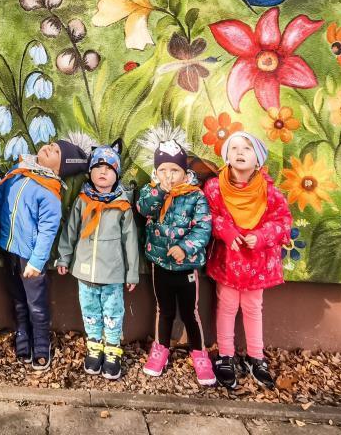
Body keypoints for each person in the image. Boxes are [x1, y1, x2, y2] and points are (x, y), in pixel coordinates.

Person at [205, 131, 292, 389]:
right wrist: (226, 231)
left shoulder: (269, 192)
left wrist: (262, 236)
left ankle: (256, 357)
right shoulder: (215, 188)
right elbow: (209, 216)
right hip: (229, 261)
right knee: (227, 305)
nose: (240, 152)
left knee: (253, 307)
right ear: (226, 156)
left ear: (258, 159)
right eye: (234, 148)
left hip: (257, 263)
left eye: (247, 148)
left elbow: (283, 222)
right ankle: (225, 356)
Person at [0, 139, 89, 370]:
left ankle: (40, 341)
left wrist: (36, 262)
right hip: (7, 249)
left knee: (35, 302)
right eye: (50, 144)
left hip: (30, 256)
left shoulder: (49, 192)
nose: (48, 147)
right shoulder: (18, 171)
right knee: (17, 297)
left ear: (60, 168)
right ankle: (22, 334)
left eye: (56, 151)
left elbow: (48, 231)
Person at [55, 140, 138, 380]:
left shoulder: (122, 206)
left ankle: (112, 349)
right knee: (90, 310)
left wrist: (132, 272)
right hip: (85, 271)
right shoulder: (82, 201)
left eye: (109, 168)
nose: (103, 172)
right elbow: (70, 231)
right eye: (98, 167)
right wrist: (64, 258)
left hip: (112, 274)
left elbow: (130, 241)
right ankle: (94, 346)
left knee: (113, 312)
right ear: (90, 172)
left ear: (116, 174)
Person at [136, 139, 215, 386]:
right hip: (160, 264)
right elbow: (143, 209)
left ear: (184, 172)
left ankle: (199, 353)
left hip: (186, 267)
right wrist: (160, 190)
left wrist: (185, 248)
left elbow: (203, 227)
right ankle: (160, 349)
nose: (168, 176)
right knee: (164, 310)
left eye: (174, 170)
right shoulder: (152, 191)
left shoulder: (195, 196)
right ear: (156, 171)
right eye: (163, 170)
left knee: (190, 312)